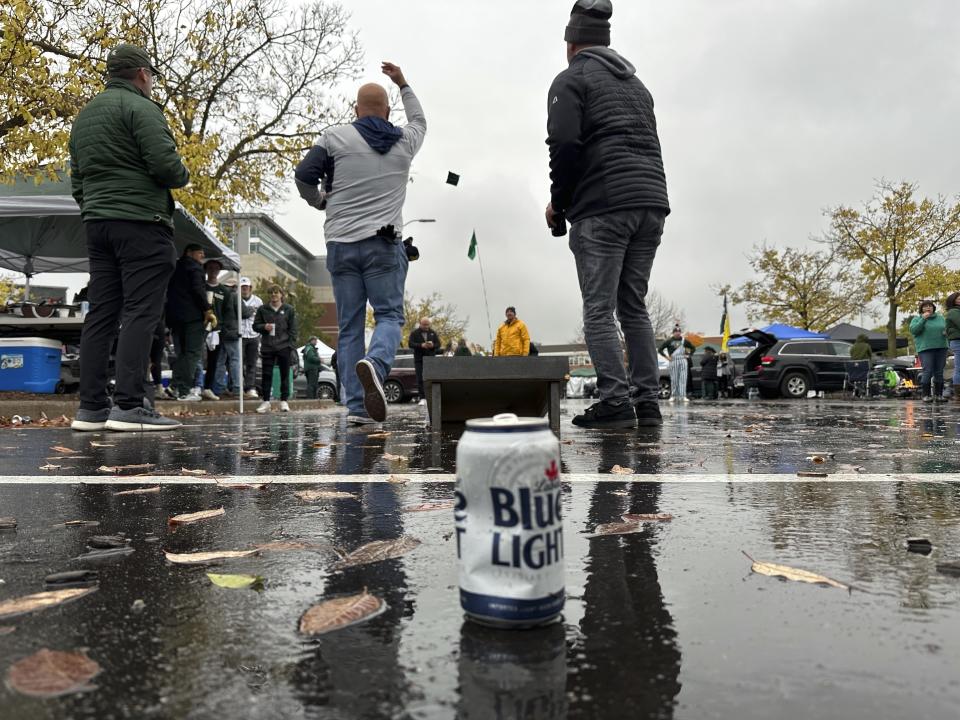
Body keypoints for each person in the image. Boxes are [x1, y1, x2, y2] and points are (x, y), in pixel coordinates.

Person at [545, 0, 669, 430]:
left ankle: (615, 402)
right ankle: (648, 404)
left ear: (570, 42)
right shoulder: (638, 88)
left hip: (604, 206)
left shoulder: (571, 78)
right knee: (633, 306)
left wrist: (559, 204)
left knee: (598, 308)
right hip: (651, 202)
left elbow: (563, 143)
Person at [294, 61, 425, 425]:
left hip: (341, 244)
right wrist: (403, 83)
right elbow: (420, 121)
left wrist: (320, 200)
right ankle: (377, 364)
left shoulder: (334, 137)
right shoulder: (405, 141)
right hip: (383, 246)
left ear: (355, 110)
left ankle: (355, 408)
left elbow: (304, 175)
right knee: (388, 315)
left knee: (350, 325)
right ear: (386, 111)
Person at [68, 43, 189, 432]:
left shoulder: (84, 117)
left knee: (101, 313)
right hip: (141, 220)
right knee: (141, 312)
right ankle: (130, 405)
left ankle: (91, 409)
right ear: (141, 74)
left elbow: (77, 177)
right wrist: (181, 175)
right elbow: (166, 166)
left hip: (98, 223)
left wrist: (92, 208)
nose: (151, 82)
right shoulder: (142, 108)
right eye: (151, 76)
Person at [167, 244, 215, 401]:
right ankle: (183, 390)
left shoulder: (173, 267)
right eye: (200, 253)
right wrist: (207, 309)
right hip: (192, 316)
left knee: (182, 354)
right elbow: (198, 290)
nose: (202, 256)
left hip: (174, 317)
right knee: (193, 353)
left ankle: (174, 386)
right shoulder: (195, 268)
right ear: (189, 253)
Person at [253, 285, 297, 413]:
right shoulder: (263, 309)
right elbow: (255, 326)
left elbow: (293, 329)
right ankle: (266, 401)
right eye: (271, 292)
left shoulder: (289, 309)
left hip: (284, 346)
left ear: (281, 294)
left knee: (284, 374)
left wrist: (290, 345)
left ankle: (284, 401)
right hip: (267, 346)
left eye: (276, 292)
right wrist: (263, 326)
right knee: (266, 374)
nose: (273, 295)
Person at [909, 299, 948, 403]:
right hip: (925, 349)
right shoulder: (917, 319)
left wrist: (946, 332)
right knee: (928, 370)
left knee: (939, 372)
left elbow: (946, 328)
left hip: (941, 347)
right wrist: (923, 319)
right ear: (921, 309)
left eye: (930, 306)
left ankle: (939, 395)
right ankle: (926, 395)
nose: (928, 308)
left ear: (933, 308)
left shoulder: (940, 318)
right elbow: (914, 330)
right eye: (925, 306)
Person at [200, 258, 228, 400]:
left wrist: (223, 328)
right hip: (200, 327)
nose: (213, 271)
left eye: (216, 269)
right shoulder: (201, 287)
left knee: (214, 360)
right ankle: (195, 386)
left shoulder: (224, 291)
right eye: (210, 268)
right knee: (197, 358)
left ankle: (208, 387)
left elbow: (228, 311)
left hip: (217, 330)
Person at [239, 277, 263, 398]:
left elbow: (262, 319)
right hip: (240, 336)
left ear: (250, 288)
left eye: (246, 287)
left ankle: (250, 387)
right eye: (242, 287)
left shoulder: (258, 301)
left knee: (252, 363)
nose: (244, 289)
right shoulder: (236, 300)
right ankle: (239, 386)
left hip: (254, 335)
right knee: (239, 363)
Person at [409, 317, 441, 406]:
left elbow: (439, 344)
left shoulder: (433, 332)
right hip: (419, 359)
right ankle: (422, 398)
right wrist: (421, 345)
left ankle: (431, 396)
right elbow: (410, 344)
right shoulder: (414, 333)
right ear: (420, 324)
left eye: (428, 324)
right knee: (420, 378)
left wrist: (433, 345)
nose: (426, 326)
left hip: (430, 359)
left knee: (431, 378)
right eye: (424, 325)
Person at [946, 292, 960, 402]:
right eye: (958, 298)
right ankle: (958, 394)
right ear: (953, 300)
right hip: (957, 341)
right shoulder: (953, 311)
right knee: (959, 368)